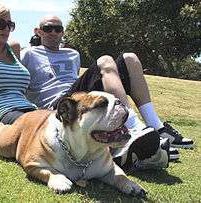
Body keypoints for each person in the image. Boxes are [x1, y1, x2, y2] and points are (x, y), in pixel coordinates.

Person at [21, 15, 194, 169]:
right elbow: (13, 75)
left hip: (80, 97)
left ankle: (158, 128)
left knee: (130, 59)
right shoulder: (28, 53)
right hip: (59, 106)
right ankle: (135, 130)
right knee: (104, 60)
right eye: (47, 28)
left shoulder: (72, 54)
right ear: (38, 31)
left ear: (62, 32)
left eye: (57, 29)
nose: (53, 32)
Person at [0, 3, 37, 138]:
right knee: (35, 128)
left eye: (10, 25)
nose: (6, 29)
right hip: (1, 113)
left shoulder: (14, 48)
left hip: (30, 109)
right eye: (0, 24)